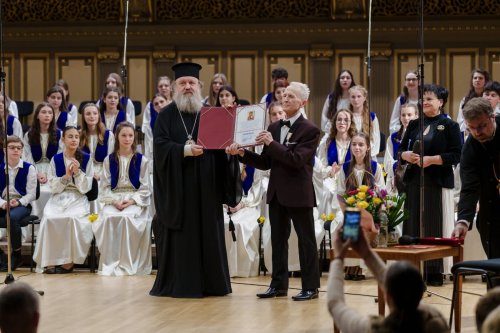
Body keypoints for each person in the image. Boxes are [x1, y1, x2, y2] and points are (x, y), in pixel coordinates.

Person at [150, 62, 241, 298]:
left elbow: (221, 147)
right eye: (183, 83)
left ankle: (213, 283)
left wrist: (229, 152)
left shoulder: (210, 113)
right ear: (174, 87)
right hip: (180, 188)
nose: (188, 86)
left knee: (209, 232)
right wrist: (184, 150)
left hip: (208, 186)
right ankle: (183, 284)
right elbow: (160, 148)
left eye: (192, 83)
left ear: (199, 86)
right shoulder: (166, 115)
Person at [227, 81, 321, 301]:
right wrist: (242, 154)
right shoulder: (274, 127)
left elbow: (296, 160)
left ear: (303, 102)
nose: (285, 99)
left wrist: (272, 143)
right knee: (277, 240)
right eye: (284, 95)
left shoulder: (311, 129)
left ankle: (311, 287)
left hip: (299, 193)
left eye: (291, 97)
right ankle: (278, 285)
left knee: (306, 241)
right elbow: (266, 163)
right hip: (277, 192)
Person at [328, 212, 449, 333]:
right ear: (420, 292)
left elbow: (335, 304)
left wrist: (339, 258)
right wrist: (366, 252)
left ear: (387, 295)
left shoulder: (373, 328)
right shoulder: (435, 322)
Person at [400, 83, 461, 286]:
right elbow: (401, 150)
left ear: (440, 102)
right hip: (414, 180)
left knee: (434, 224)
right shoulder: (414, 123)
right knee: (412, 223)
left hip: (437, 181)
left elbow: (456, 154)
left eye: (429, 99)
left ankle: (434, 271)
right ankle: (411, 269)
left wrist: (433, 159)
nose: (424, 102)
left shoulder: (449, 125)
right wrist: (405, 155)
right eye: (423, 99)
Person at [93, 122, 151, 276]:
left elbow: (145, 187)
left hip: (134, 198)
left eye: (130, 135)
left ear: (135, 138)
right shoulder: (109, 160)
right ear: (117, 137)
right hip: (114, 198)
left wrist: (132, 201)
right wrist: (114, 201)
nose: (127, 139)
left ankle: (129, 262)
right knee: (109, 217)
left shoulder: (142, 160)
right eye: (123, 135)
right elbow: (104, 186)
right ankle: (111, 262)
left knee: (127, 218)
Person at [33, 126, 94, 274]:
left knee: (72, 219)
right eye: (70, 136)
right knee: (49, 218)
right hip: (58, 197)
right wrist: (66, 176)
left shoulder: (86, 158)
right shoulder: (56, 159)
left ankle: (68, 261)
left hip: (78, 197)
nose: (74, 140)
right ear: (63, 139)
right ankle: (50, 261)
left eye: (76, 137)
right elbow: (53, 186)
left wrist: (78, 173)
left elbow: (87, 188)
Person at [452, 97, 500, 258]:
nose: (477, 132)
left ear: (492, 117)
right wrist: (463, 221)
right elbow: (469, 188)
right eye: (471, 128)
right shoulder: (470, 148)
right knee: (496, 272)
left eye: (482, 126)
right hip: (492, 213)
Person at [337, 132, 384, 280]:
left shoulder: (375, 167)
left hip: (369, 212)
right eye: (354, 144)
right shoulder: (345, 168)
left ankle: (361, 269)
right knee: (350, 223)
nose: (357, 147)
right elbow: (340, 194)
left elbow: (382, 192)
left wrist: (375, 207)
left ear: (368, 148)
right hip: (351, 211)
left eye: (361, 145)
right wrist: (345, 210)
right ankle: (351, 267)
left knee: (366, 227)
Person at [0, 136, 37, 271]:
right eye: (12, 148)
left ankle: (17, 253)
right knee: (8, 214)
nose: (16, 150)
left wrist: (19, 202)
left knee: (12, 217)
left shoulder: (29, 168)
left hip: (22, 204)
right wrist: (3, 203)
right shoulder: (0, 168)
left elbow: (32, 194)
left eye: (18, 148)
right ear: (5, 150)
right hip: (4, 202)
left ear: (22, 151)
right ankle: (1, 256)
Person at [22, 103, 63, 219]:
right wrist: (36, 173)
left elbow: (60, 156)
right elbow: (26, 156)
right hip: (34, 170)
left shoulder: (59, 134)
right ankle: (35, 223)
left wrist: (47, 174)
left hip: (53, 171)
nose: (47, 115)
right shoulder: (29, 135)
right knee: (35, 191)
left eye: (50, 113)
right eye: (43, 112)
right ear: (37, 116)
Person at [384, 103, 418, 194]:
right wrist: (398, 165)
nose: (406, 118)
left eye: (409, 115)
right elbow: (387, 161)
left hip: (415, 179)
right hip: (397, 179)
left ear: (416, 116)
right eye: (403, 115)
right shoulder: (393, 138)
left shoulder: (421, 136)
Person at [80, 103, 115, 180]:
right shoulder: (78, 135)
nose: (92, 116)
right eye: (88, 114)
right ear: (83, 117)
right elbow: (76, 159)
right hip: (84, 172)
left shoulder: (108, 135)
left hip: (103, 172)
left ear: (99, 116)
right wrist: (89, 173)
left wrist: (103, 175)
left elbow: (111, 159)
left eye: (95, 113)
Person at [349, 85, 380, 158]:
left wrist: (366, 154)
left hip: (368, 155)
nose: (356, 100)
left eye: (359, 96)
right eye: (353, 97)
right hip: (350, 155)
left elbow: (376, 139)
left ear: (364, 98)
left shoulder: (372, 117)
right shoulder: (346, 117)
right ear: (349, 99)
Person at [456, 68, 490, 136]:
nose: (477, 80)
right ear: (472, 81)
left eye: (480, 78)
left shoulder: (489, 98)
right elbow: (460, 121)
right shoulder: (465, 100)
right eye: (475, 78)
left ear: (485, 81)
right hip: (470, 133)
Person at [142, 93, 169, 160]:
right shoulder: (154, 123)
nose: (159, 105)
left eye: (162, 102)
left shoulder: (176, 117)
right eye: (156, 104)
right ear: (154, 108)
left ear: (167, 102)